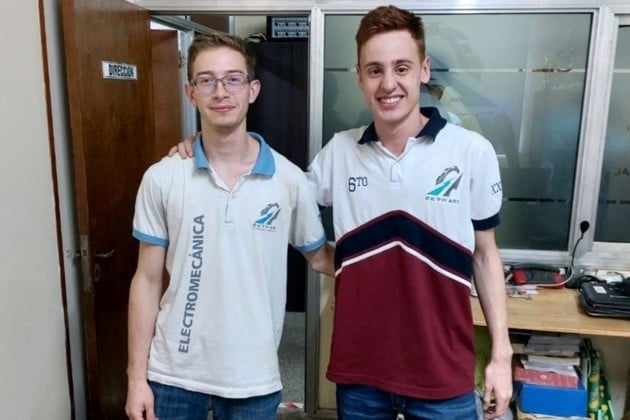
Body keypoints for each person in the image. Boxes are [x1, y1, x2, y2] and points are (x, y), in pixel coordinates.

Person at [172, 6, 512, 419]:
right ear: (359, 77)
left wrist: (501, 355)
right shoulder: (339, 152)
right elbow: (277, 194)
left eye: (402, 68)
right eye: (375, 70)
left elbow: (485, 256)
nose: (388, 84)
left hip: (443, 372)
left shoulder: (470, 151)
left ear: (423, 70)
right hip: (360, 372)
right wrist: (204, 144)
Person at [125, 31, 334, 420]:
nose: (221, 91)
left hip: (253, 380)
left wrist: (400, 262)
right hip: (173, 377)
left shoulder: (289, 179)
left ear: (253, 90)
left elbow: (321, 257)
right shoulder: (163, 177)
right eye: (207, 80)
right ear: (191, 93)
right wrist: (137, 379)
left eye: (233, 79)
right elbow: (148, 281)